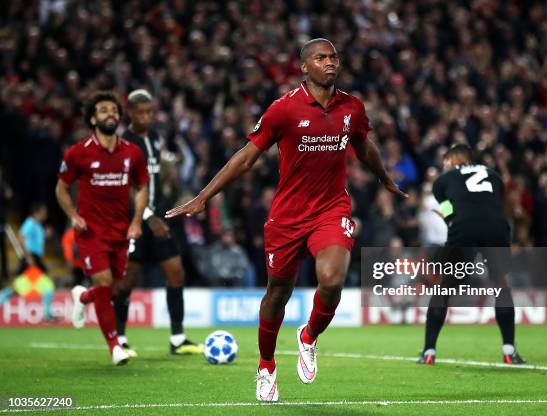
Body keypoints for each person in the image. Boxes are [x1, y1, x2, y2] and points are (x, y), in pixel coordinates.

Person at [166, 38, 406, 401]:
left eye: (333, 57)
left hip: (331, 209)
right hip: (287, 217)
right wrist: (203, 197)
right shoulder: (284, 110)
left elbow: (363, 144)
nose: (330, 62)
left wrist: (384, 178)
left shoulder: (352, 107)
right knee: (277, 293)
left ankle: (308, 336)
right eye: (321, 58)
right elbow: (246, 157)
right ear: (304, 68)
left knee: (332, 279)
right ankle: (266, 365)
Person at [55, 91, 149, 366]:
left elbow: (142, 186)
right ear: (93, 118)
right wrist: (73, 215)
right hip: (90, 231)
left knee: (115, 289)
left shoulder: (132, 152)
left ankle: (82, 297)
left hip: (121, 231)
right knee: (105, 283)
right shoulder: (78, 152)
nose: (110, 113)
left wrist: (136, 221)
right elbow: (61, 188)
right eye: (104, 110)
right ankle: (114, 346)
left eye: (114, 110)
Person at [417, 144, 526, 365]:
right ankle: (509, 351)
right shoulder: (494, 176)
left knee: (444, 287)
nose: (444, 166)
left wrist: (449, 219)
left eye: (446, 162)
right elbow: (498, 205)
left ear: (455, 159)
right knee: (501, 284)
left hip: (464, 229)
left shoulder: (442, 182)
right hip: (496, 227)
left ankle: (429, 351)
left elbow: (449, 212)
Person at [114, 89, 202, 357]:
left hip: (157, 215)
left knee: (176, 271)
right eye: (140, 112)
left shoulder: (154, 138)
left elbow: (158, 177)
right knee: (127, 278)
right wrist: (148, 218)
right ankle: (118, 338)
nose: (146, 117)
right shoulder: (123, 145)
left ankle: (177, 338)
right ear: (130, 113)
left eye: (150, 112)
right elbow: (126, 186)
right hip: (135, 221)